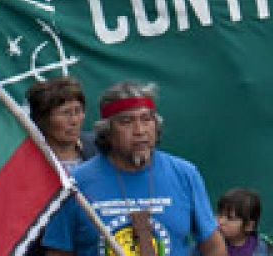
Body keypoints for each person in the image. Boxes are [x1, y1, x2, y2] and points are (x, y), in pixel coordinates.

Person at [43, 82, 226, 256]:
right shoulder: (75, 184)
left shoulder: (185, 175)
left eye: (146, 119)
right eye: (126, 122)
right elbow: (59, 252)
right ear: (108, 132)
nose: (140, 130)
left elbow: (214, 247)